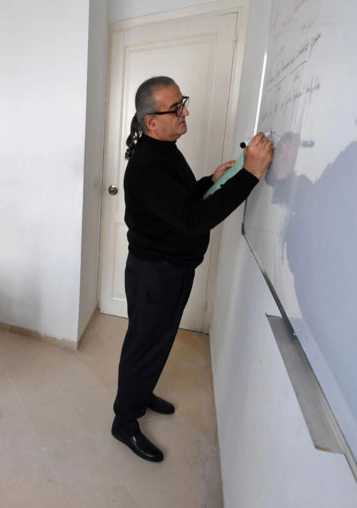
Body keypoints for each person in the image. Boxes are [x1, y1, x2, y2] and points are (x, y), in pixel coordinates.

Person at [112, 76, 273, 462]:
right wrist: (249, 174)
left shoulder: (164, 149)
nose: (185, 112)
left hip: (169, 269)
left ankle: (141, 393)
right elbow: (194, 220)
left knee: (157, 341)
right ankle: (124, 421)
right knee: (143, 345)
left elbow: (179, 203)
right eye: (175, 108)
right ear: (151, 122)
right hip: (155, 274)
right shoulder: (149, 165)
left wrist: (208, 182)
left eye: (183, 101)